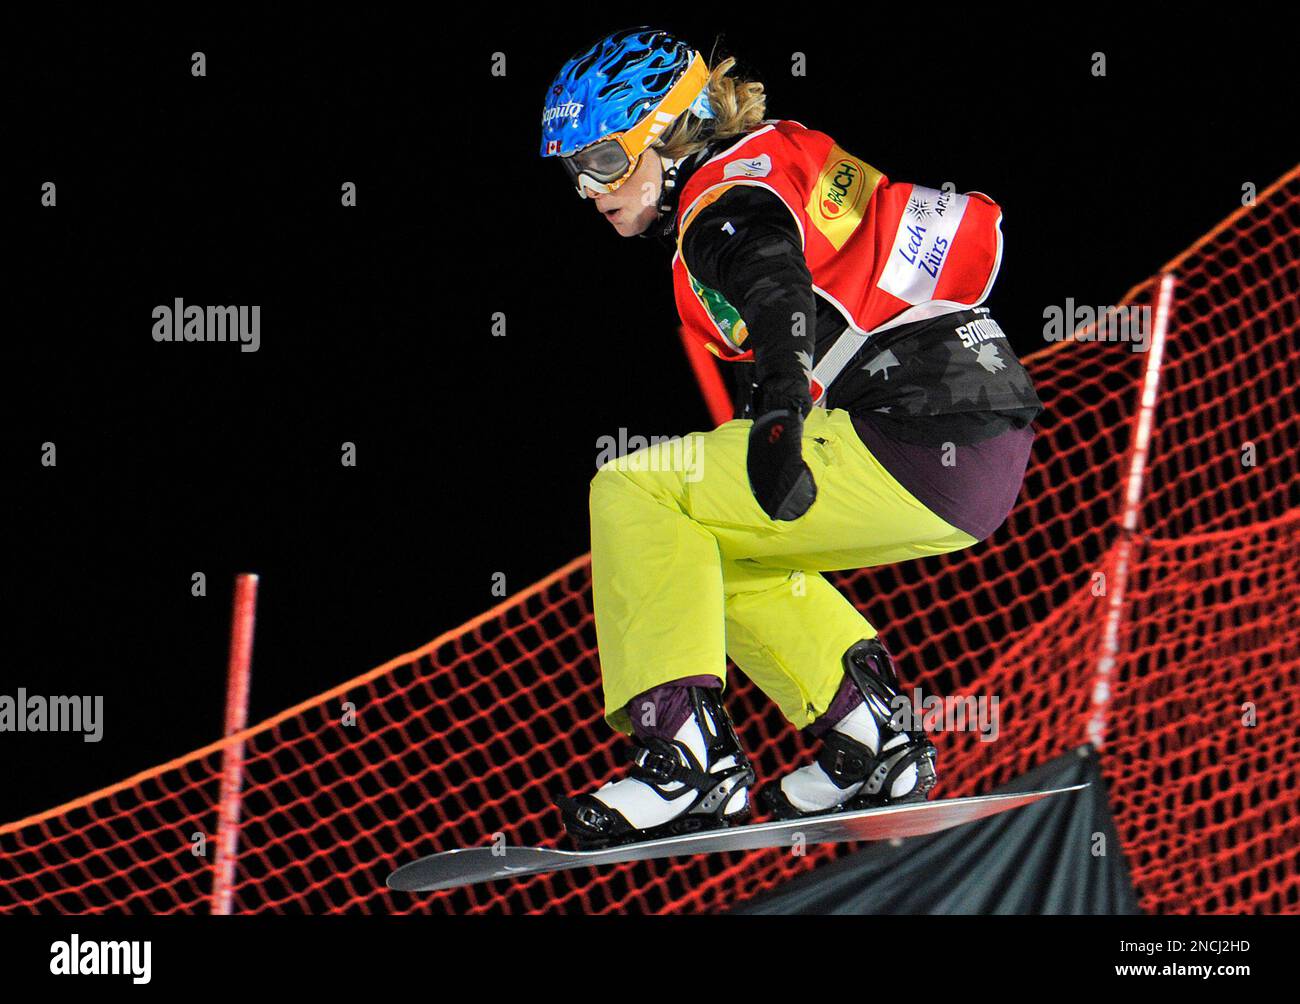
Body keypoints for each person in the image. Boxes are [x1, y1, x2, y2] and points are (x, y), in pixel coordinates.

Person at [540, 28, 1044, 849]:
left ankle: (685, 760)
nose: (588, 190)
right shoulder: (780, 155)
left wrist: (778, 416)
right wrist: (770, 421)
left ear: (668, 134)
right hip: (976, 451)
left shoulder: (719, 205)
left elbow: (776, 288)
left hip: (911, 434)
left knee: (631, 490)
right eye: (572, 171)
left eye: (601, 158)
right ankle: (869, 738)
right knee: (704, 554)